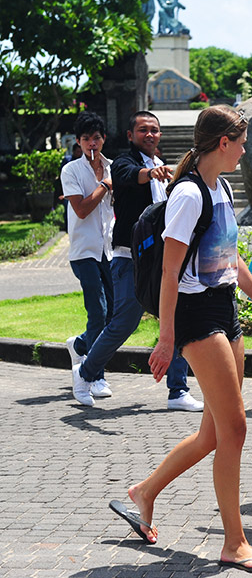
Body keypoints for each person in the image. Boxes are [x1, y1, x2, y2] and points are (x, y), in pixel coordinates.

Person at [113, 105, 252, 573]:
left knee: (213, 434)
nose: (246, 148)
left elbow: (233, 261)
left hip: (225, 310)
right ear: (224, 142)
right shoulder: (189, 195)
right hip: (195, 317)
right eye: (242, 140)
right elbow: (171, 272)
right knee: (235, 430)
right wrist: (166, 337)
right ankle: (234, 542)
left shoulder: (222, 187)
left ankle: (143, 493)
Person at [71, 111, 203, 411]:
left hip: (162, 260)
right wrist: (149, 175)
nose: (150, 135)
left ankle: (177, 391)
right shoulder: (122, 163)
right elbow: (129, 177)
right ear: (130, 135)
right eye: (143, 130)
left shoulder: (163, 165)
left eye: (155, 130)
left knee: (177, 317)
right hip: (129, 258)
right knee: (123, 323)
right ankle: (86, 372)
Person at [61, 112, 114, 399]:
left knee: (115, 313)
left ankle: (80, 346)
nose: (92, 144)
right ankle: (93, 376)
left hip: (110, 250)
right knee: (99, 312)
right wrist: (104, 186)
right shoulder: (71, 171)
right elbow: (81, 209)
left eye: (96, 138)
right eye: (85, 139)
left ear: (103, 138)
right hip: (84, 251)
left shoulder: (113, 166)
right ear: (78, 142)